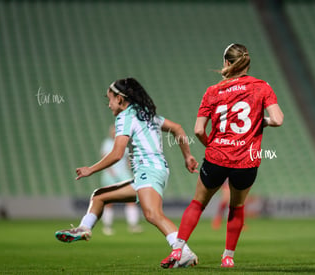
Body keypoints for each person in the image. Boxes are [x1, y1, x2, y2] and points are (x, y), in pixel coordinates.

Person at [160, 43, 284, 268]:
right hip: (246, 162)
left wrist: (213, 146)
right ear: (247, 63)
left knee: (198, 203)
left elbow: (198, 130)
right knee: (236, 207)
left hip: (216, 158)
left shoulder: (213, 91)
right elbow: (277, 119)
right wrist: (258, 121)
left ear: (226, 62)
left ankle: (177, 250)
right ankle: (228, 257)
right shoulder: (262, 87)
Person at [55, 77, 199, 268]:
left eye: (110, 99)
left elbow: (116, 154)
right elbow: (177, 128)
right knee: (99, 196)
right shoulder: (146, 113)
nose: (109, 105)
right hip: (150, 171)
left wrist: (91, 169)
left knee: (152, 214)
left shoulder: (124, 117)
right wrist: (187, 156)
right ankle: (84, 229)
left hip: (149, 170)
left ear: (120, 99)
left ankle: (183, 252)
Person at [100, 125, 143, 235]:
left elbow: (129, 158)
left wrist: (132, 168)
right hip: (110, 176)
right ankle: (107, 226)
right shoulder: (107, 143)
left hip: (124, 175)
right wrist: (111, 172)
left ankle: (133, 225)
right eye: (113, 131)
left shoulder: (124, 143)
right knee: (109, 201)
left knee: (131, 200)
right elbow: (104, 159)